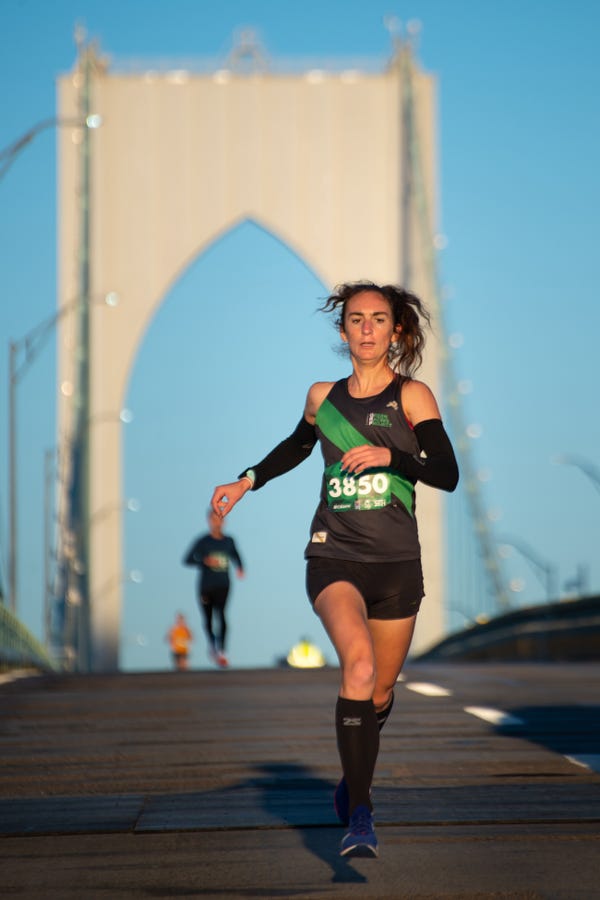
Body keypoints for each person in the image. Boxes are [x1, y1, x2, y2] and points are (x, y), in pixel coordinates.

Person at [210, 281, 459, 857]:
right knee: (360, 666)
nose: (366, 328)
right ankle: (363, 814)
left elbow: (445, 472)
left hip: (397, 566)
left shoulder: (414, 396)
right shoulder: (323, 397)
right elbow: (298, 446)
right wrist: (246, 480)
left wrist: (391, 456)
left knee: (379, 694)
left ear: (396, 330)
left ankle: (354, 778)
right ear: (342, 330)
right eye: (355, 319)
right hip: (334, 555)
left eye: (378, 319)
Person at [183, 510, 245, 668]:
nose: (217, 522)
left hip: (223, 584)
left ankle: (222, 651)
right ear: (209, 521)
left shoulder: (229, 541)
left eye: (220, 519)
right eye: (214, 519)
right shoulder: (203, 541)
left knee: (222, 614)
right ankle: (212, 645)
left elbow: (236, 556)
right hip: (206, 585)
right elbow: (188, 559)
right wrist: (205, 561)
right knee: (208, 619)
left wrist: (240, 568)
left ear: (224, 521)